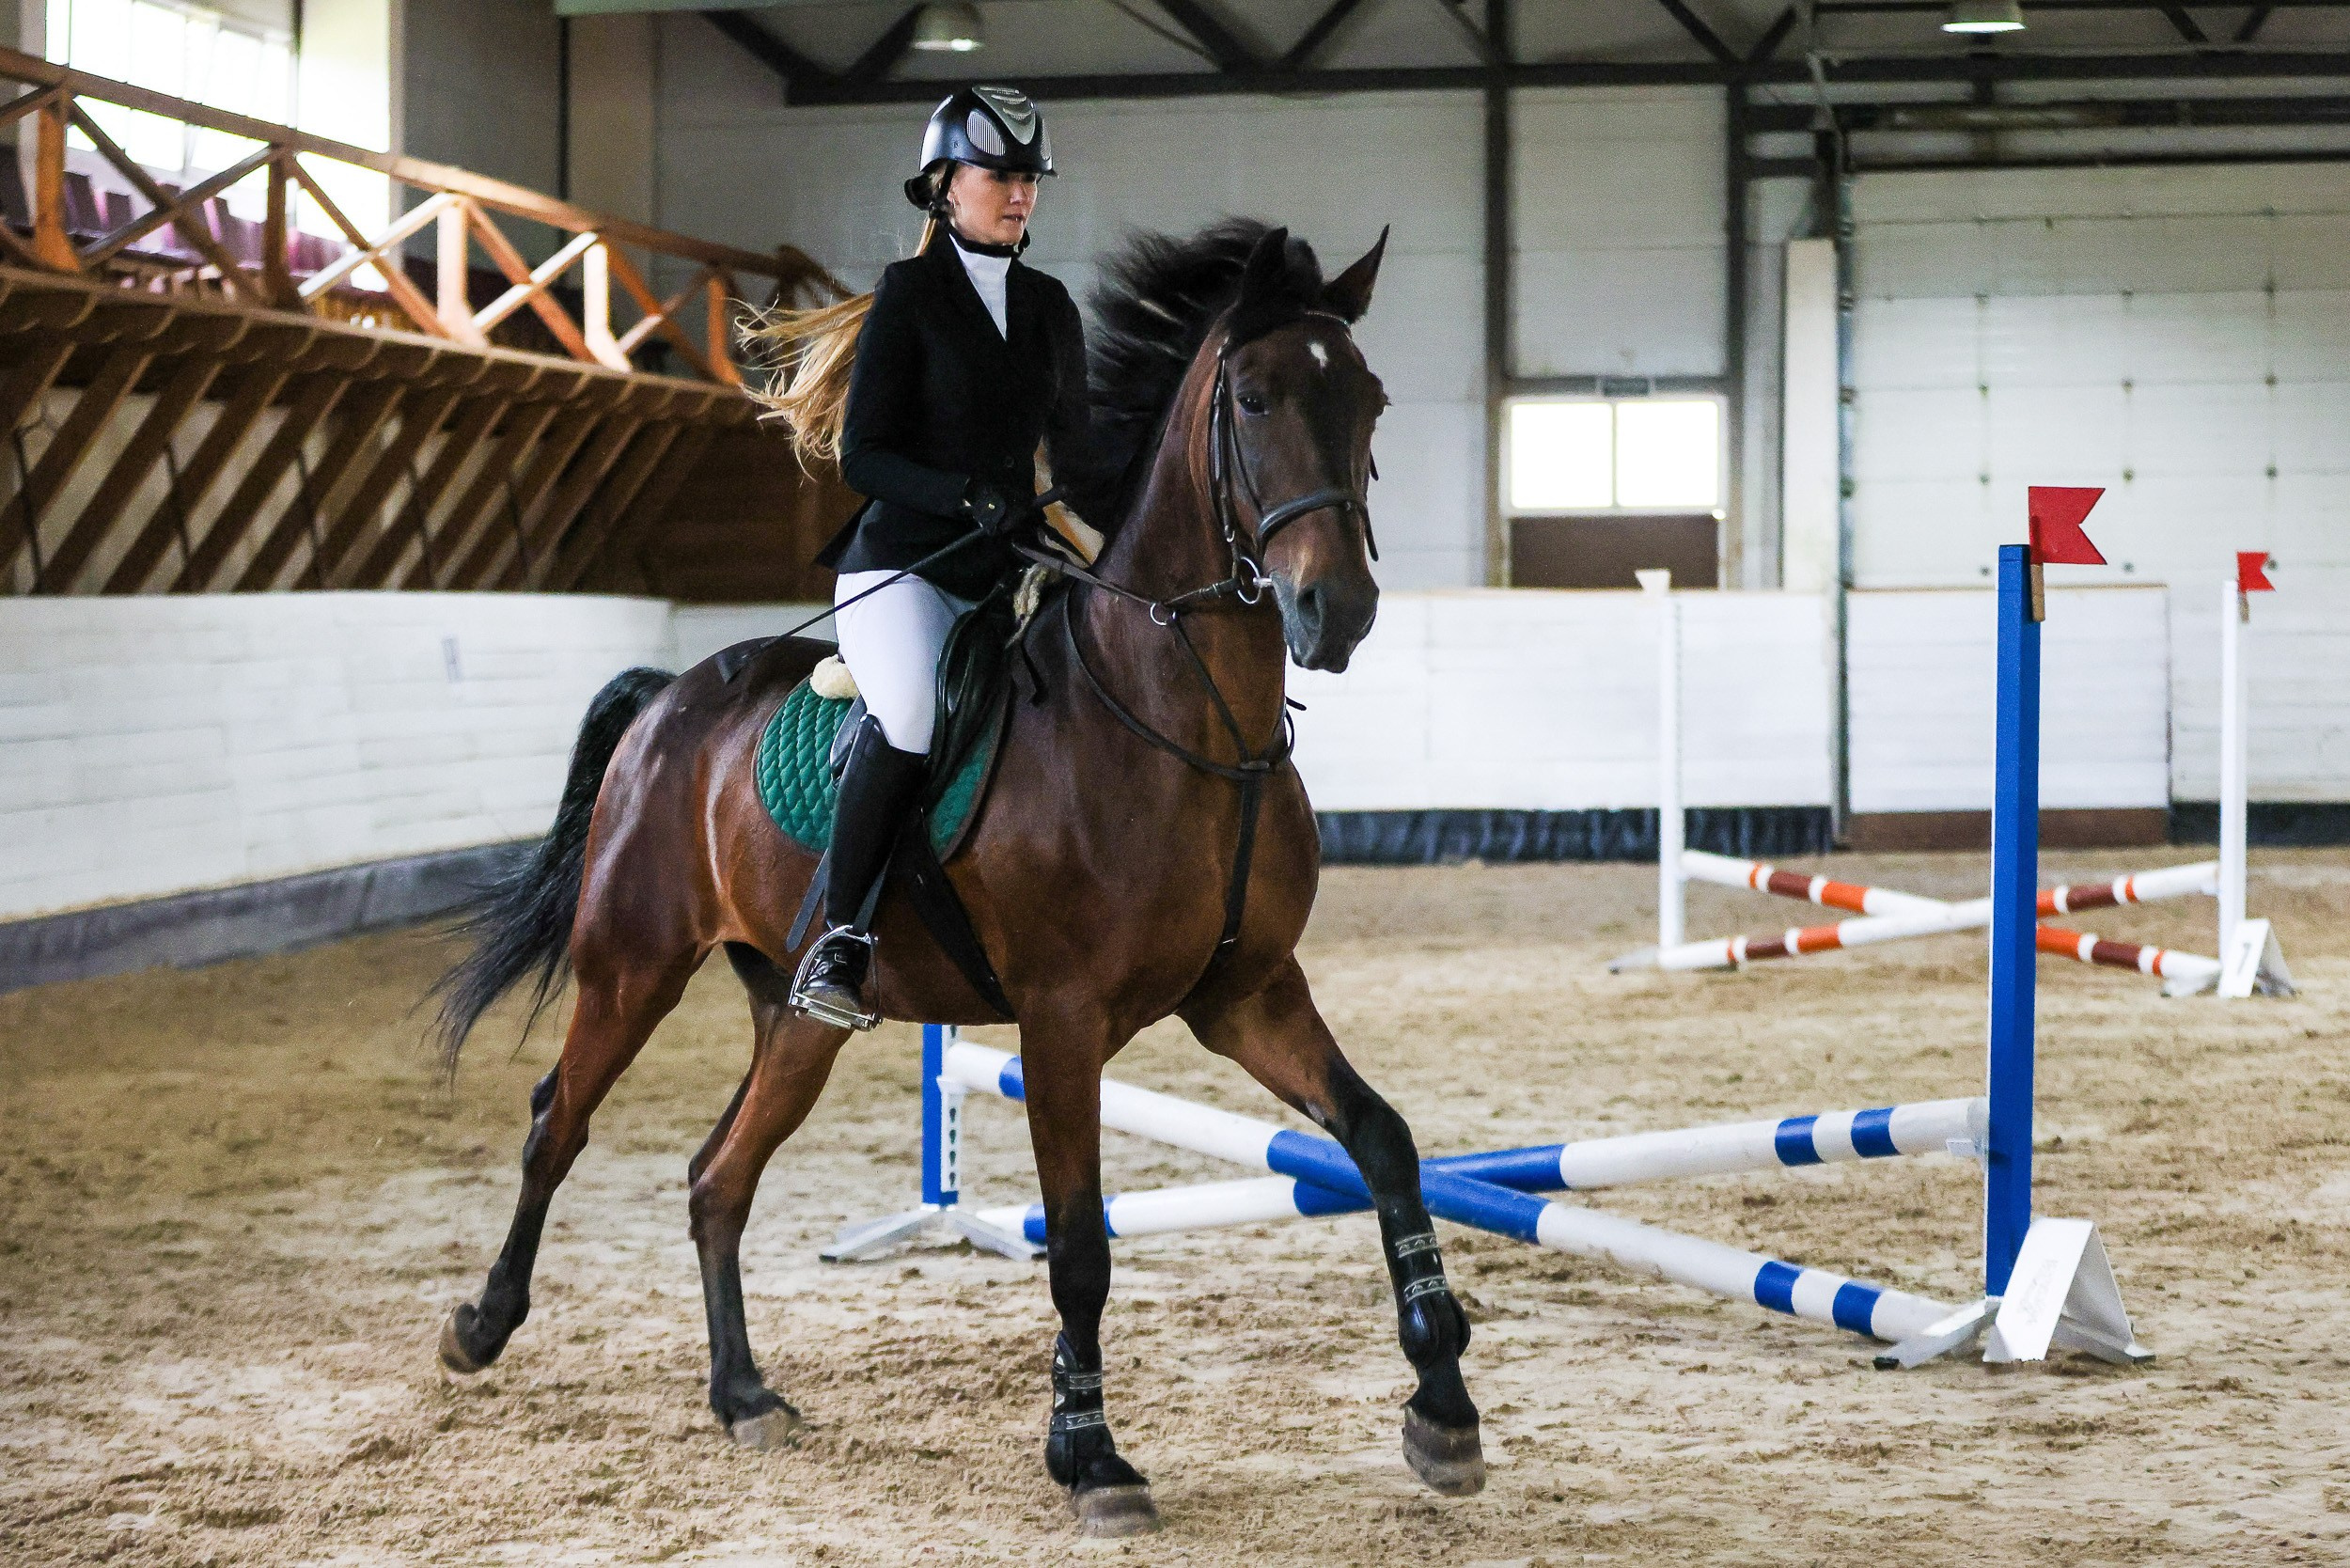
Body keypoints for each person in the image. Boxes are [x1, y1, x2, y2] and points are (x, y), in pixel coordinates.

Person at [755, 86, 1101, 1029]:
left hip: (1009, 568)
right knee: (908, 710)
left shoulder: (1049, 306)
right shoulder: (908, 297)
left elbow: (1079, 458)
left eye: (1029, 178)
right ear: (945, 185)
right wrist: (964, 494)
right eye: (1001, 175)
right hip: (902, 566)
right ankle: (842, 936)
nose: (1020, 192)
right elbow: (863, 453)